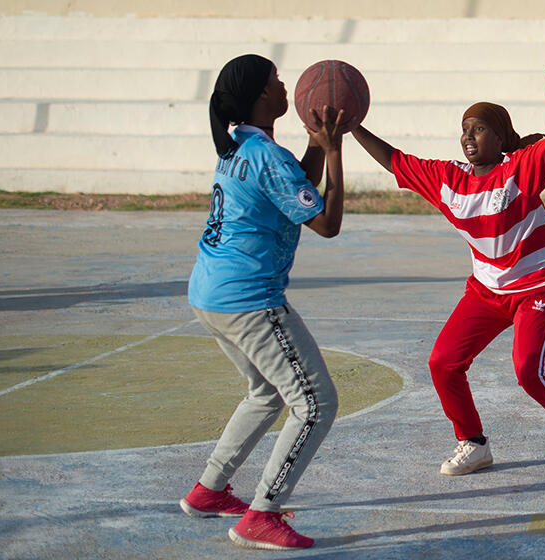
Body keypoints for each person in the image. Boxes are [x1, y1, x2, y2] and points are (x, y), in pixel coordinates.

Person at [351, 62, 545, 488]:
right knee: (443, 362)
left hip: (540, 284)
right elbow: (395, 161)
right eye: (464, 129)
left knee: (530, 368)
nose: (468, 137)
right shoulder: (448, 179)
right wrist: (354, 127)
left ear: (500, 136)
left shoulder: (518, 169)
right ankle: (473, 442)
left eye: (478, 129)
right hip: (488, 289)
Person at [178, 54, 346, 551]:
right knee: (316, 403)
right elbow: (326, 223)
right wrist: (334, 152)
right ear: (257, 96)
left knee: (266, 394)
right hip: (249, 300)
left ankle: (208, 490)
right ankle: (262, 513)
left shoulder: (243, 145)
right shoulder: (265, 153)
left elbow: (291, 188)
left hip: (210, 292)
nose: (284, 86)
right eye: (274, 81)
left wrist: (316, 145)